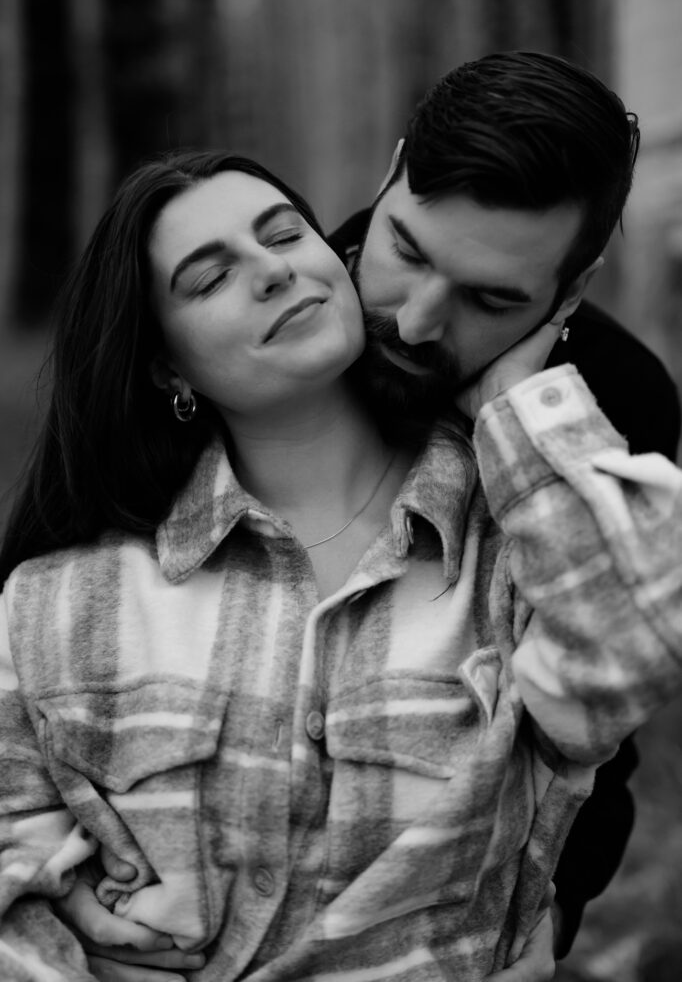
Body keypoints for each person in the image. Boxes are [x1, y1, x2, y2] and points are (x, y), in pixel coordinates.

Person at [1, 150, 682, 982]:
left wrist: (516, 405)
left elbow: (631, 652)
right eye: (210, 279)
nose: (272, 272)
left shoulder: (524, 549)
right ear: (166, 366)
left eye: (285, 234)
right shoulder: (57, 600)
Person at [329, 50, 682, 960]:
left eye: (492, 299)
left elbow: (603, 730)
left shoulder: (618, 402)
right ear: (393, 169)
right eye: (405, 249)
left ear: (573, 285)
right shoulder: (251, 318)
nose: (414, 322)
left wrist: (553, 917)